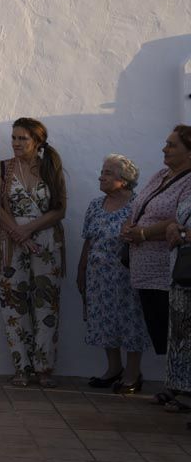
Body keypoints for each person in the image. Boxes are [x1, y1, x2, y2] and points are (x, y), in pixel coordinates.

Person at [0, 118, 67, 388]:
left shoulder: (50, 168)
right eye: (13, 138)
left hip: (46, 243)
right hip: (11, 245)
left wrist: (30, 229)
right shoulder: (1, 168)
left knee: (46, 303)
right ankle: (21, 367)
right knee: (13, 303)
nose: (16, 143)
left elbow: (60, 209)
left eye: (22, 138)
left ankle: (44, 367)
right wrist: (18, 234)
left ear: (37, 141)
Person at [124, 125, 191, 411]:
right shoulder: (161, 175)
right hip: (145, 267)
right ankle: (173, 385)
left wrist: (142, 234)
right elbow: (141, 206)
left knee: (178, 328)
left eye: (172, 145)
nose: (165, 148)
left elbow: (178, 219)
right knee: (164, 329)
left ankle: (182, 390)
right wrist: (130, 228)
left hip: (169, 267)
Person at [77, 154, 147, 393]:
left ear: (124, 180)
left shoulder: (138, 206)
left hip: (126, 276)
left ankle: (133, 373)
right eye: (102, 171)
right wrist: (82, 269)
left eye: (108, 173)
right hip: (99, 276)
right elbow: (89, 240)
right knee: (104, 320)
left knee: (131, 321)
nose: (101, 176)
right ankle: (114, 368)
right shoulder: (96, 205)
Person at [165, 186, 191, 416]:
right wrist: (173, 227)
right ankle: (181, 390)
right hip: (181, 271)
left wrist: (183, 235)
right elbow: (177, 219)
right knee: (181, 334)